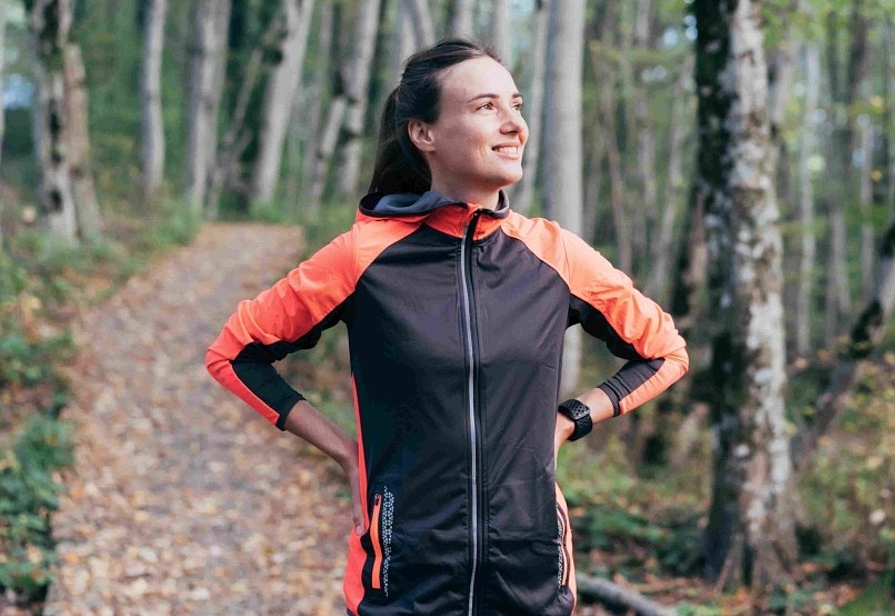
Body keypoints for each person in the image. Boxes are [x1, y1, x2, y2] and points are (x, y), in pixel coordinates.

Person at [206, 38, 689, 616]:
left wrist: (569, 420)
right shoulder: (363, 257)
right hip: (403, 579)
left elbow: (665, 351)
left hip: (532, 578)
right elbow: (234, 353)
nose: (514, 125)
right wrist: (346, 453)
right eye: (486, 107)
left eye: (516, 106)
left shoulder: (554, 254)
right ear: (423, 133)